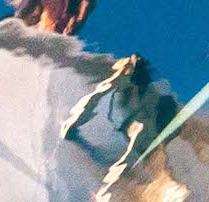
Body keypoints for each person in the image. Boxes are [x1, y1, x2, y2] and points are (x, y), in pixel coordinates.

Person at [62, 51, 180, 184]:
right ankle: (123, 174)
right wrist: (75, 122)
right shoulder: (126, 78)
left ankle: (156, 174)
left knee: (146, 132)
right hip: (129, 122)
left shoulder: (150, 96)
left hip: (143, 125)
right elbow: (95, 97)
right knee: (142, 130)